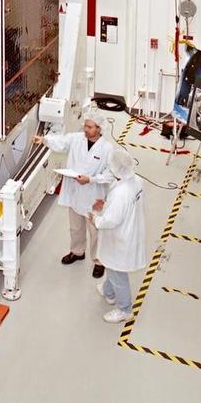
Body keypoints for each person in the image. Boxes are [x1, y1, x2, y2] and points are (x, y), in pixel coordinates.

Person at [33, 106, 113, 278]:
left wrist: (90, 179)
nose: (85, 129)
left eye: (90, 127)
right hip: (76, 193)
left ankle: (99, 261)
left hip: (94, 196)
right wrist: (44, 139)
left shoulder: (107, 149)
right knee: (75, 227)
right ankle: (77, 252)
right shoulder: (77, 139)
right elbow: (61, 142)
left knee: (96, 232)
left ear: (99, 129)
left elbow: (110, 174)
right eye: (85, 125)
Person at [89, 146, 146, 324]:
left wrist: (95, 219)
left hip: (120, 239)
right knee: (112, 267)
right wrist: (107, 204)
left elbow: (111, 220)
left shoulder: (121, 193)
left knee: (117, 273)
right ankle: (109, 292)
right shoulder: (136, 180)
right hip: (129, 232)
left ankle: (125, 310)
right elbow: (122, 208)